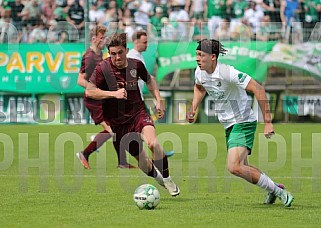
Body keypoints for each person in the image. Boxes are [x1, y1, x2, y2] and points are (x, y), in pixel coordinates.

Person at [187, 39, 294, 207]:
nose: (197, 58)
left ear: (213, 57)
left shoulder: (228, 72)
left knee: (234, 166)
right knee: (243, 166)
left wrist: (268, 122)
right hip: (228, 124)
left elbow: (258, 89)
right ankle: (274, 188)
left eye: (201, 55)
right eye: (196, 55)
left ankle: (280, 192)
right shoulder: (200, 72)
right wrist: (193, 108)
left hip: (243, 121)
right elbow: (199, 87)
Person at [85, 32, 180, 196]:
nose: (117, 57)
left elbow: (150, 80)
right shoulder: (103, 68)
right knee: (143, 163)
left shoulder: (136, 65)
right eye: (113, 54)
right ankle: (158, 177)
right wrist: (112, 94)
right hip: (118, 123)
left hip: (138, 113)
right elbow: (89, 91)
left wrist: (158, 99)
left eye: (120, 53)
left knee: (153, 143)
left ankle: (167, 177)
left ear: (126, 51)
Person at [76, 25, 136, 169]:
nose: (104, 40)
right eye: (102, 37)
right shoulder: (89, 57)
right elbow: (80, 80)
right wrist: (95, 89)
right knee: (113, 129)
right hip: (94, 99)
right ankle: (85, 153)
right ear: (93, 39)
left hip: (102, 98)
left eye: (104, 37)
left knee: (116, 127)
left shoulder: (99, 54)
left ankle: (122, 162)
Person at [127, 30, 175, 157]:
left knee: (142, 130)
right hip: (133, 101)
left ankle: (157, 152)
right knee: (144, 128)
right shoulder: (133, 57)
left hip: (138, 99)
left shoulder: (139, 56)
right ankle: (159, 154)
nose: (147, 45)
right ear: (136, 42)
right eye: (144, 42)